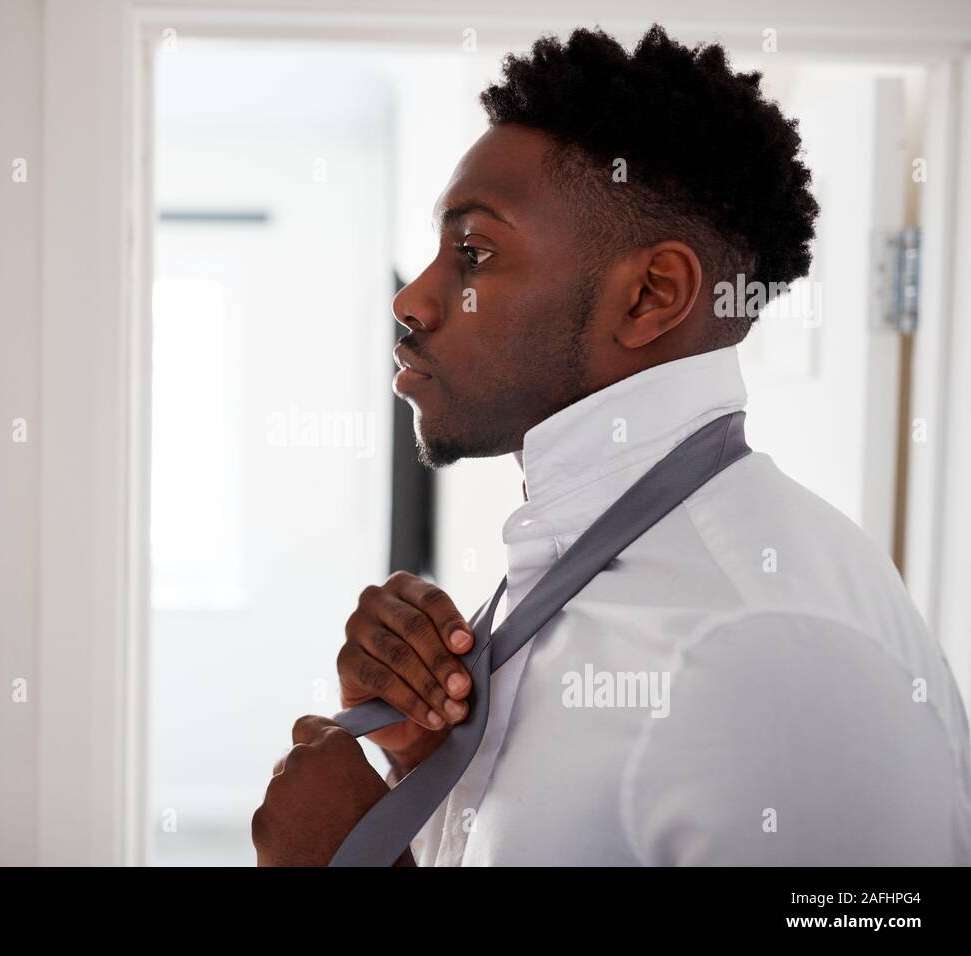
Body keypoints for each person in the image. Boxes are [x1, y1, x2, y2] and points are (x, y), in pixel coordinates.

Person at [251, 24, 971, 866]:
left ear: (650, 296)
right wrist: (431, 757)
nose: (411, 299)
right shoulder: (590, 553)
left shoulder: (771, 647)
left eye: (473, 253)